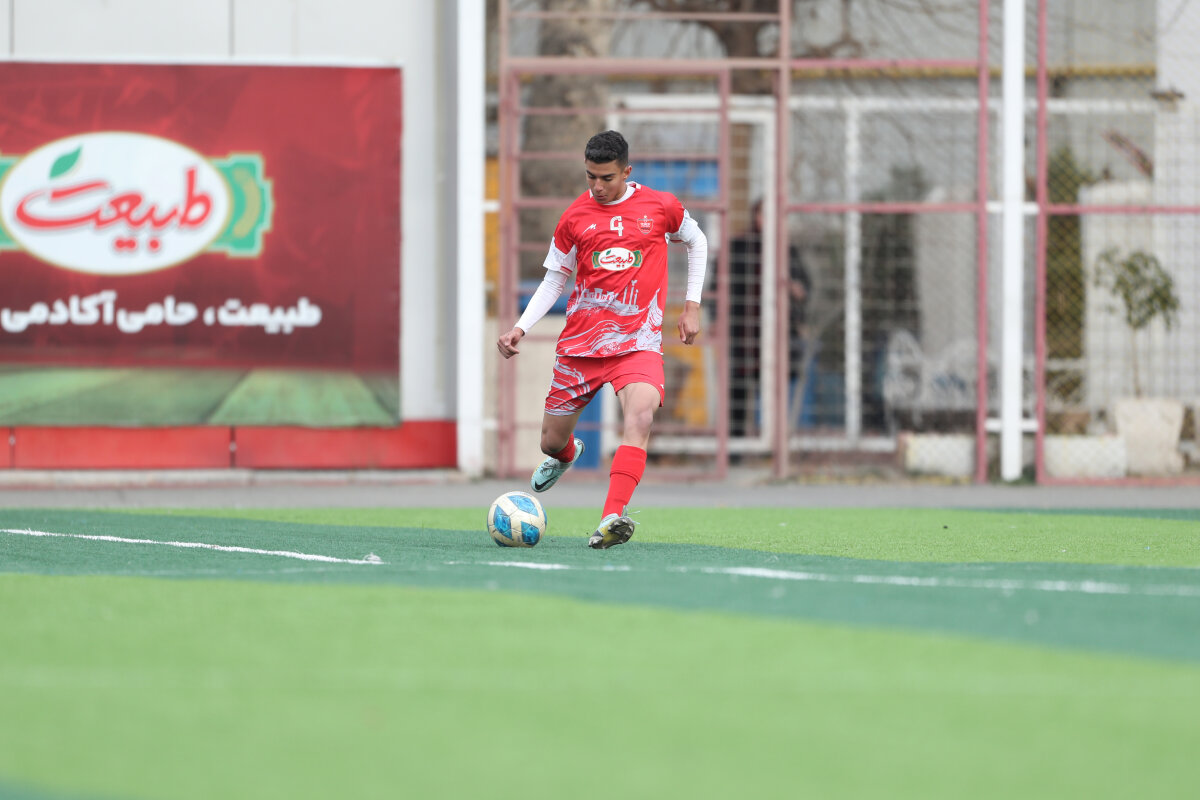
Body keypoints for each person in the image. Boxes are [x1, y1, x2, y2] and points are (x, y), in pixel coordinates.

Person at [497, 130, 708, 549]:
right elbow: (554, 280)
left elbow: (697, 240)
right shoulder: (574, 217)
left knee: (641, 418)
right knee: (550, 441)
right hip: (582, 347)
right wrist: (520, 327)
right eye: (590, 176)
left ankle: (612, 516)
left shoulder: (660, 206)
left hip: (638, 343)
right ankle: (566, 455)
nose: (597, 186)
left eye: (606, 178)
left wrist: (692, 305)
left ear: (627, 172)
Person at [727, 199, 811, 437]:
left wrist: (796, 290)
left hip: (777, 333)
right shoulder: (739, 247)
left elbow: (805, 287)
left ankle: (773, 440)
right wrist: (716, 318)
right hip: (744, 331)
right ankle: (736, 445)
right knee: (739, 390)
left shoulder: (786, 250)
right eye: (763, 214)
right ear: (755, 216)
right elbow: (719, 285)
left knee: (775, 390)